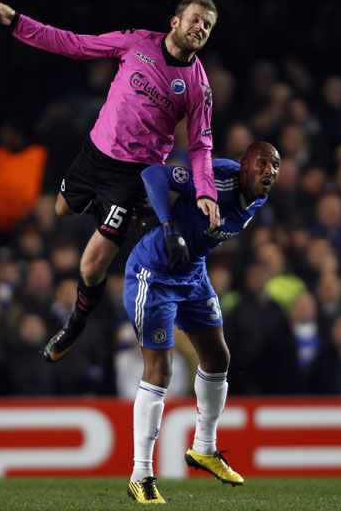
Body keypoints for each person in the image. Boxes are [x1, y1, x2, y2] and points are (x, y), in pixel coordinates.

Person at [0, 0, 221, 362]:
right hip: (94, 154)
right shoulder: (138, 42)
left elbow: (202, 148)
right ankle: (122, 218)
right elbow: (75, 44)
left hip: (133, 176)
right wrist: (17, 22)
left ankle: (74, 325)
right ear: (174, 22)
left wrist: (207, 192)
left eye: (207, 25)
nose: (200, 28)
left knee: (91, 265)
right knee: (63, 210)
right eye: (195, 20)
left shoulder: (197, 87)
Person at [123, 141, 280, 503]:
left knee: (218, 359)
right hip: (155, 272)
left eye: (275, 165)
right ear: (243, 166)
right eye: (262, 164)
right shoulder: (216, 178)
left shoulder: (258, 197)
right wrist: (169, 227)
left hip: (193, 274)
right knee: (160, 370)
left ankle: (204, 448)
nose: (269, 171)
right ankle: (140, 474)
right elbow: (153, 173)